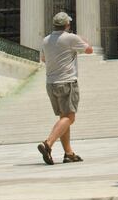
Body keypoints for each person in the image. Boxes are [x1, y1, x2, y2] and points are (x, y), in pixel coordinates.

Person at [37, 11, 93, 165]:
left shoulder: (46, 40)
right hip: (67, 82)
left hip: (51, 84)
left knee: (63, 118)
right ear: (67, 24)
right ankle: (48, 143)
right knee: (70, 117)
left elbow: (43, 59)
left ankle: (68, 153)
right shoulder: (70, 38)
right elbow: (89, 50)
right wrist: (82, 39)